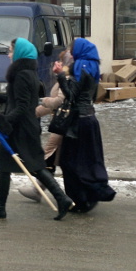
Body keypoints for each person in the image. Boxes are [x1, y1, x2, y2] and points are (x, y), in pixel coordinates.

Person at [0, 38, 74, 221]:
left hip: (21, 129)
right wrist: (5, 99)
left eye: (11, 50)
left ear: (20, 52)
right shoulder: (27, 72)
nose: (9, 54)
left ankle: (62, 198)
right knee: (5, 166)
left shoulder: (21, 74)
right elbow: (24, 100)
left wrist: (1, 120)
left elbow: (23, 107)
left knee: (35, 165)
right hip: (23, 127)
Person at [53, 38, 116, 213]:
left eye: (73, 49)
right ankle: (88, 196)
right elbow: (92, 95)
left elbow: (70, 95)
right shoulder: (93, 67)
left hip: (78, 122)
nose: (71, 53)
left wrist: (60, 75)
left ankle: (81, 200)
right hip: (89, 120)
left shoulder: (80, 67)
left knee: (69, 162)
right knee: (88, 161)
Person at [18, 49, 74, 202]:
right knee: (51, 158)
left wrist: (44, 100)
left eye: (61, 61)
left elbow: (59, 102)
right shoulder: (66, 78)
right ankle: (39, 190)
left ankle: (41, 191)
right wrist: (33, 113)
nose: (58, 63)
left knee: (49, 156)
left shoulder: (67, 79)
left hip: (63, 125)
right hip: (62, 124)